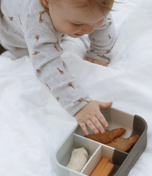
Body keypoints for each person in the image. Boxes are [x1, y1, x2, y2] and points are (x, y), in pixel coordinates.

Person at [0, 0, 115, 135]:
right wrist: (79, 105)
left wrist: (99, 53)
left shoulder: (93, 8)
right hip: (7, 33)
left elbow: (102, 22)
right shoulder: (35, 18)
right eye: (77, 24)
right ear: (46, 2)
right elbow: (47, 65)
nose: (90, 30)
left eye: (97, 20)